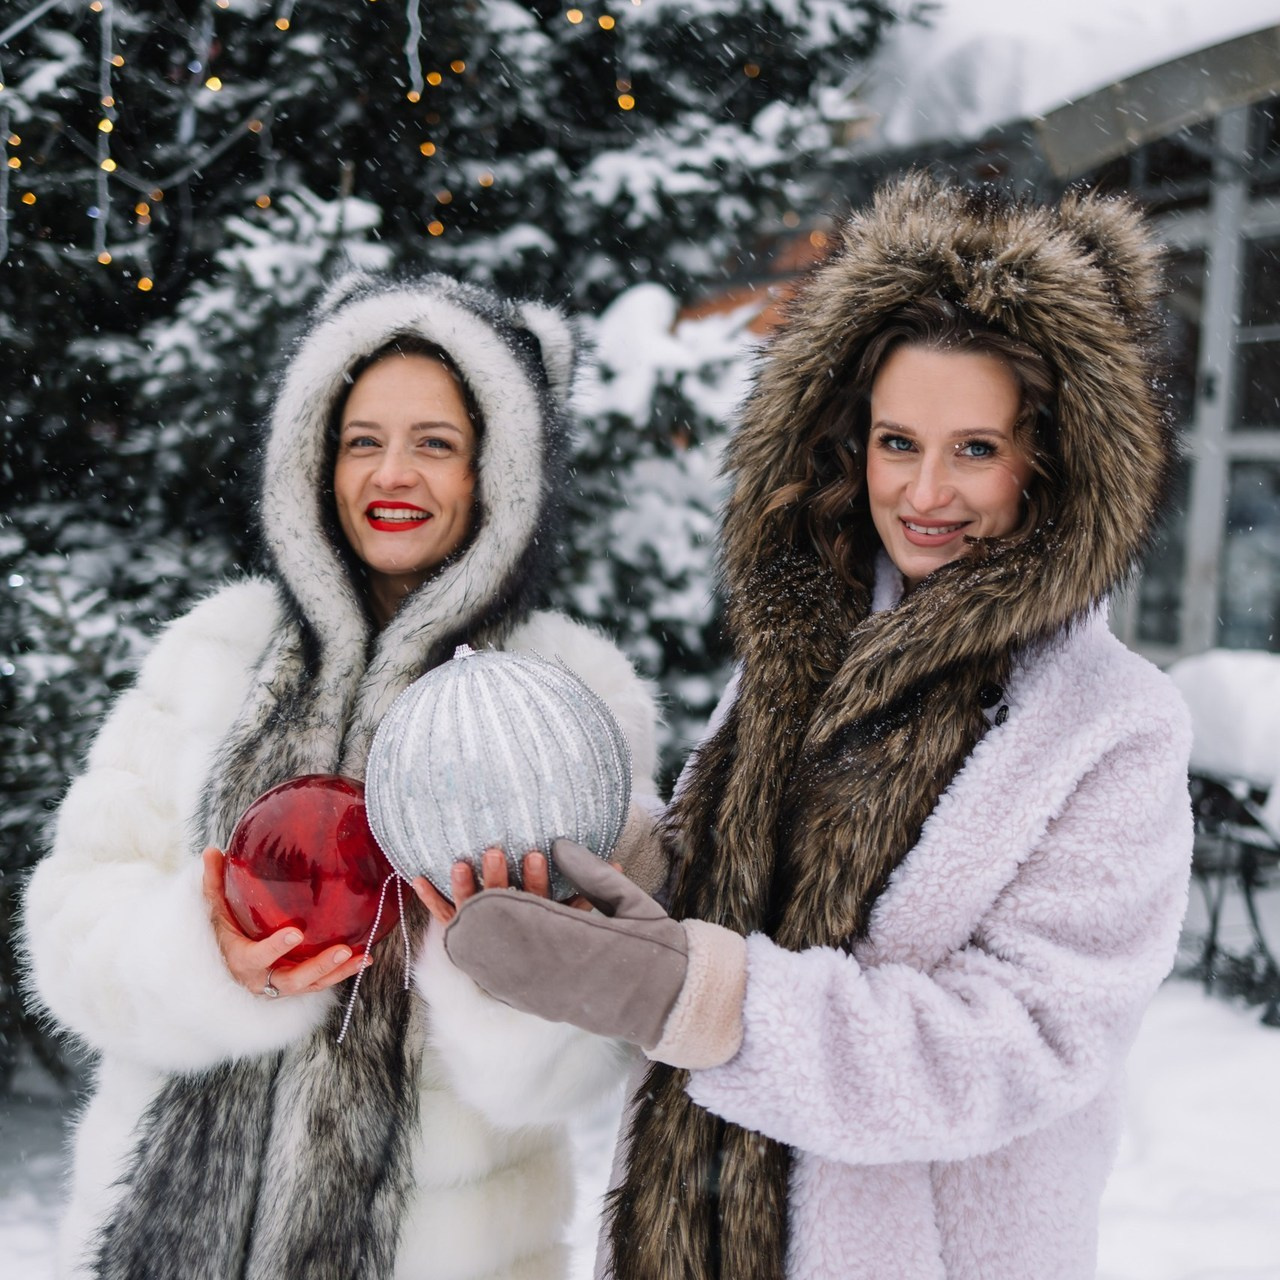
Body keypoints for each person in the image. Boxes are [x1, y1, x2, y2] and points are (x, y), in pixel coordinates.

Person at [438, 175, 1196, 1280]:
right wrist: (609, 869)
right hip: (690, 1230)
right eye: (897, 441)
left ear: (1054, 457)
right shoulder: (802, 654)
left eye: (974, 447)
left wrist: (691, 994)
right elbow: (722, 894)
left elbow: (1018, 1043)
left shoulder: (1109, 728)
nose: (925, 490)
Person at [22, 272, 663, 1280]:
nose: (391, 472)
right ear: (314, 457)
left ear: (498, 469)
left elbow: (586, 1045)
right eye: (361, 438)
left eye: (435, 442)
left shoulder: (565, 696)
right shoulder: (216, 651)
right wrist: (204, 956)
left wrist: (493, 956)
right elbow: (68, 922)